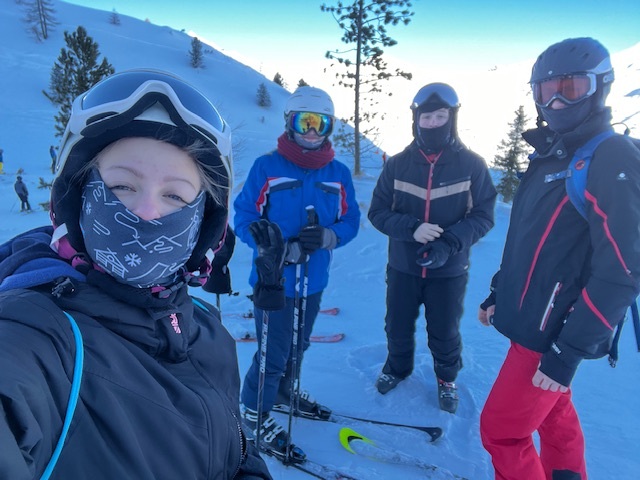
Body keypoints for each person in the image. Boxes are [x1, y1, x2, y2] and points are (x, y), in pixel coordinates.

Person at [0, 69, 272, 480]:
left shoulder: (206, 330)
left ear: (204, 224)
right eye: (122, 187)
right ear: (78, 196)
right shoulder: (36, 336)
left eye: (174, 195)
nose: (146, 212)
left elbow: (232, 455)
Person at [478, 37, 640, 480]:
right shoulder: (553, 155)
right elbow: (530, 241)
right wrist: (499, 293)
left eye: (570, 88)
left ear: (600, 87)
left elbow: (624, 269)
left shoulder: (610, 156)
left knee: (502, 432)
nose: (555, 102)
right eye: (545, 90)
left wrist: (568, 351)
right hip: (534, 320)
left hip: (551, 332)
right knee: (553, 414)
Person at [234, 86, 360, 460]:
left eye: (320, 123)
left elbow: (351, 220)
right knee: (272, 353)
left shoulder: (338, 174)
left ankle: (283, 391)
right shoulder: (267, 167)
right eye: (304, 122)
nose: (312, 131)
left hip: (314, 281)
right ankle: (254, 411)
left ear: (330, 126)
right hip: (274, 281)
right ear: (289, 123)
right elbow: (244, 216)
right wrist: (270, 245)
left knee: (298, 346)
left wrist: (329, 236)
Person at [368, 82, 496, 414]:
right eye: (427, 117)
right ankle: (397, 368)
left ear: (452, 119)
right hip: (403, 266)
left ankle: (446, 378)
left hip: (449, 270)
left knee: (444, 330)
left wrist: (448, 244)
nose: (433, 123)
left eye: (440, 116)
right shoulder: (397, 165)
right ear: (416, 120)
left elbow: (483, 216)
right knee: (397, 325)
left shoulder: (471, 165)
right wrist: (412, 228)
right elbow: (377, 212)